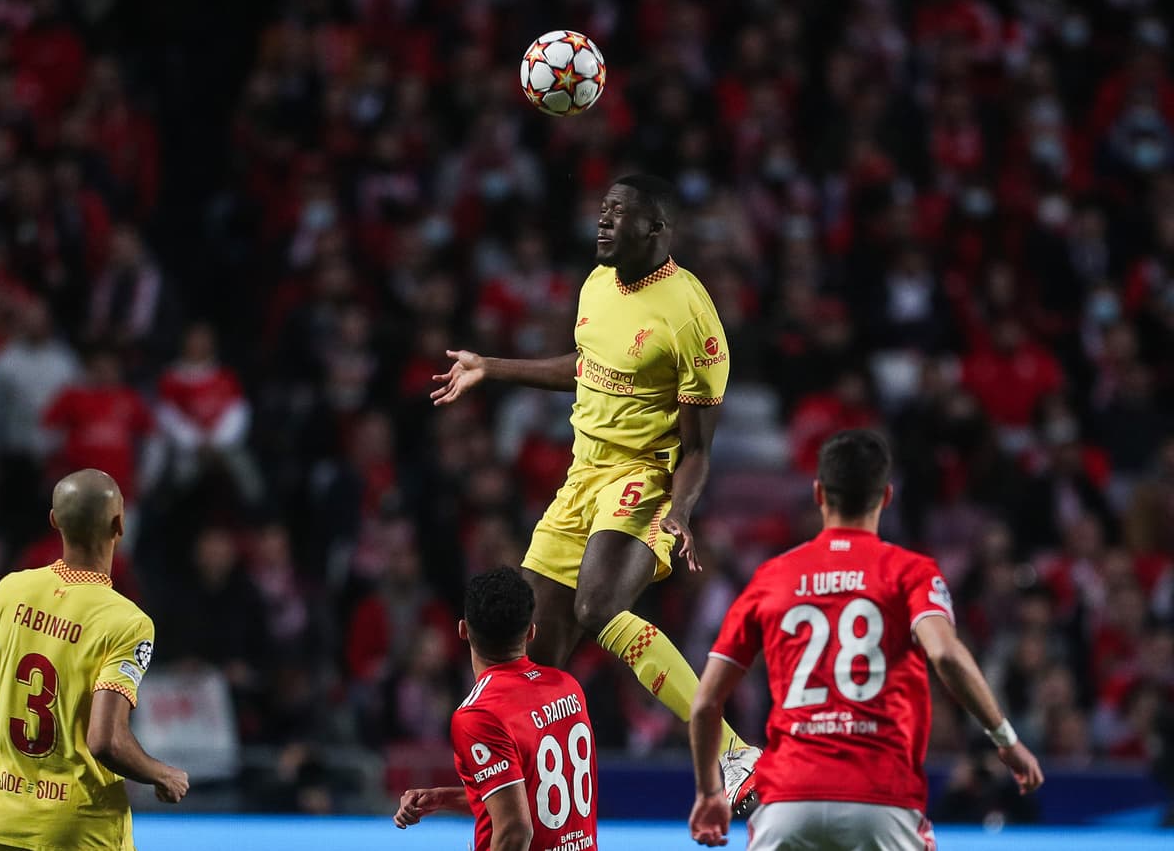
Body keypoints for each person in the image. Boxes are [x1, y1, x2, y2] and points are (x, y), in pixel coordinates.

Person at [432, 174, 760, 810]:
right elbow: (585, 369)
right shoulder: (596, 284)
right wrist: (490, 367)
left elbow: (697, 450)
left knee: (599, 607)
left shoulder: (692, 318)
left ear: (656, 231)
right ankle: (517, 808)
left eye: (619, 213)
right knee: (529, 657)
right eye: (601, 211)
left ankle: (733, 751)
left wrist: (682, 512)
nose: (603, 222)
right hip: (580, 477)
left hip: (643, 475)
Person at [688, 430, 1044, 849]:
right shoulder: (910, 572)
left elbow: (706, 702)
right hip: (881, 797)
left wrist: (710, 792)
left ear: (819, 493)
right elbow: (946, 653)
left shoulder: (772, 577)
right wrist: (1006, 740)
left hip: (787, 802)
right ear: (887, 496)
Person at [0, 469, 188, 851]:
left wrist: (25, 707)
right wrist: (161, 773)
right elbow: (105, 740)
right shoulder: (126, 622)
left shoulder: (9, 591)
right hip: (79, 833)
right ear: (119, 524)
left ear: (54, 521)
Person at [393, 567, 597, 851]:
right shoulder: (567, 687)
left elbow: (515, 831)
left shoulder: (479, 715)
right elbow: (532, 795)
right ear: (531, 632)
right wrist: (442, 798)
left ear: (463, 630)